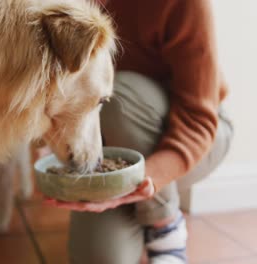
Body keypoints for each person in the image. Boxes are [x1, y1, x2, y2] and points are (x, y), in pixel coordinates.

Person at [44, 0, 234, 263]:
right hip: (113, 144)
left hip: (199, 135)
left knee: (115, 101)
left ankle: (165, 227)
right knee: (99, 258)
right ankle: (149, 213)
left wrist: (149, 179)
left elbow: (198, 120)